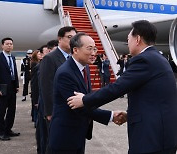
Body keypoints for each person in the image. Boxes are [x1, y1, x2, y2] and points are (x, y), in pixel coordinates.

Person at [67, 20, 177, 154]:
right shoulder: (158, 58)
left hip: (151, 138)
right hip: (162, 135)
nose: (128, 43)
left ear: (137, 39)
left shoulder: (144, 60)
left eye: (128, 39)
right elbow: (152, 99)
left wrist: (84, 100)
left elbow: (117, 88)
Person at [47, 32, 124, 154]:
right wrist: (111, 115)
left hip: (78, 133)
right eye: (89, 49)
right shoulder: (65, 73)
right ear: (76, 50)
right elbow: (78, 107)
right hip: (65, 137)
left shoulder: (84, 67)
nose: (94, 53)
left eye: (95, 48)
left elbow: (86, 98)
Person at [39, 26, 77, 153]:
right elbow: (46, 86)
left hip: (70, 109)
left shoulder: (73, 58)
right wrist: (49, 112)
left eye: (74, 38)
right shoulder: (50, 58)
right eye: (69, 37)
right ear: (60, 39)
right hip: (56, 111)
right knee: (54, 143)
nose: (72, 41)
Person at [0, 37, 20, 141]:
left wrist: (16, 85)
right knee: (1, 111)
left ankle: (8, 130)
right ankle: (1, 132)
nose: (9, 45)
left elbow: (14, 72)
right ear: (2, 45)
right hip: (2, 88)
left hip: (12, 87)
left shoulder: (12, 57)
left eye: (11, 44)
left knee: (12, 110)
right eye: (7, 44)